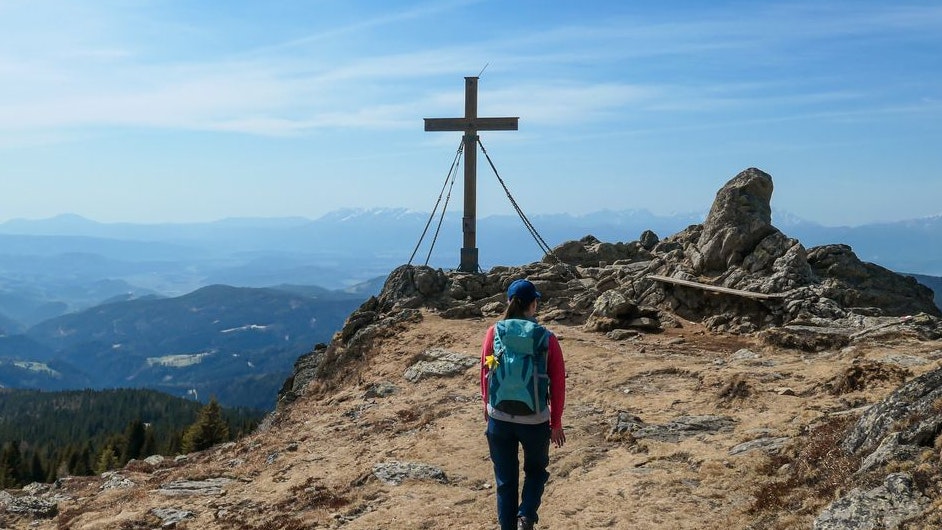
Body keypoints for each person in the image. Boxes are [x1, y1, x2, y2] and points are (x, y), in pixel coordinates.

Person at [480, 278, 566, 530]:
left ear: (509, 302)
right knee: (536, 472)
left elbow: (487, 371)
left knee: (505, 481)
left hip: (500, 416)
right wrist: (556, 423)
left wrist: (489, 407)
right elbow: (558, 384)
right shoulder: (546, 338)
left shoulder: (494, 333)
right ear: (534, 305)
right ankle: (526, 516)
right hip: (535, 419)